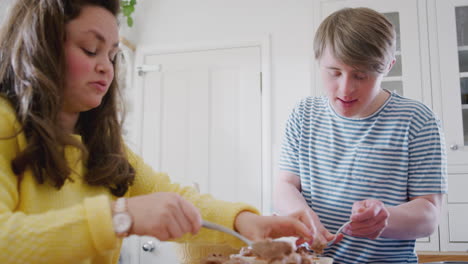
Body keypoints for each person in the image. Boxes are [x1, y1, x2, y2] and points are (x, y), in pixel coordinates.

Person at [0, 1, 315, 263]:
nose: (106, 68)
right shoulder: (5, 124)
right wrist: (117, 217)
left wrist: (243, 221)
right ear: (40, 47)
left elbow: (171, 195)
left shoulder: (104, 148)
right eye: (90, 49)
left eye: (112, 55)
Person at [273, 7, 448, 264]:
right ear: (319, 61)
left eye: (361, 75)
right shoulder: (303, 114)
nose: (345, 88)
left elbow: (430, 214)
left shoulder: (417, 119)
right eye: (334, 72)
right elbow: (285, 185)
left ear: (388, 66)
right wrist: (301, 213)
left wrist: (386, 217)